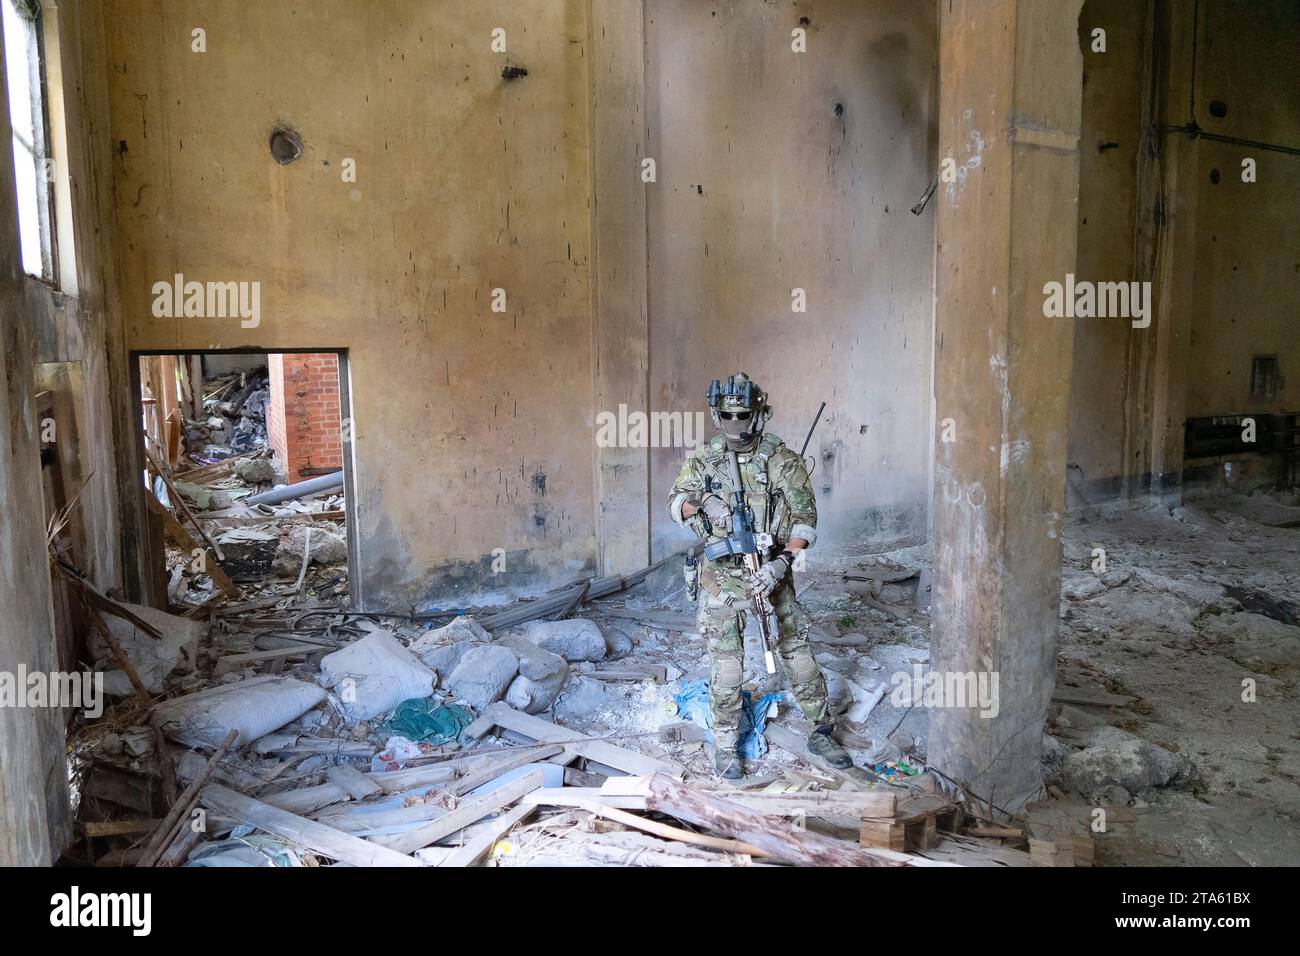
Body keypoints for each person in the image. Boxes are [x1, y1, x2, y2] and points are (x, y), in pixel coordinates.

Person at [668, 372, 852, 778]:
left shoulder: (781, 459)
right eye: (728, 415)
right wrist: (703, 502)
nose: (736, 423)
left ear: (757, 413)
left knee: (796, 649)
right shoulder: (703, 460)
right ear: (717, 415)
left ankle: (821, 729)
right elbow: (675, 505)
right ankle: (725, 745)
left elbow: (806, 522)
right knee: (728, 665)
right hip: (721, 574)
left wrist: (782, 563)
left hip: (771, 566)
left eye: (743, 414)